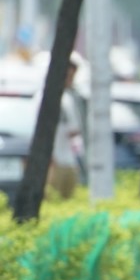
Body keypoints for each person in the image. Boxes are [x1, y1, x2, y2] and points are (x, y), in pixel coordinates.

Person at [47, 56, 83, 199]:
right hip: (54, 161)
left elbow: (74, 131)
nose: (70, 79)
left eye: (73, 76)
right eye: (68, 75)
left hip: (69, 160)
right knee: (52, 200)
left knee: (67, 201)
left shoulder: (68, 98)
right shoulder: (45, 98)